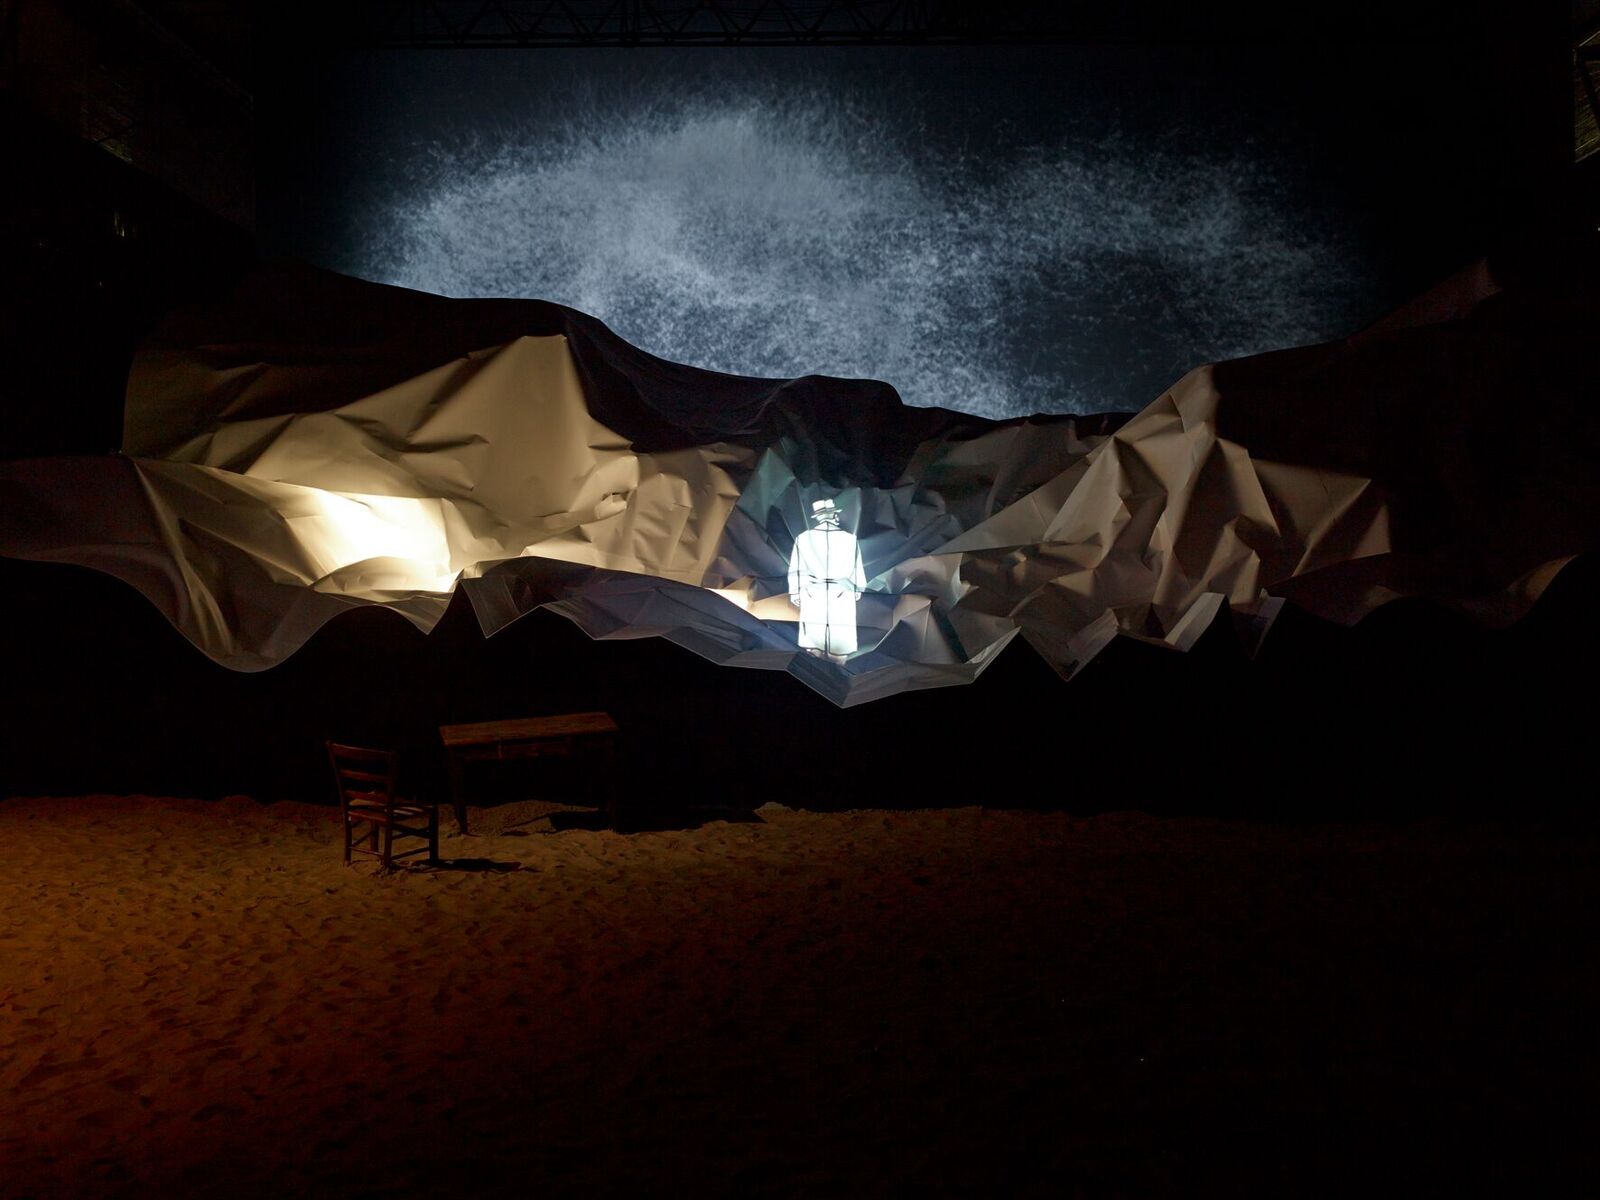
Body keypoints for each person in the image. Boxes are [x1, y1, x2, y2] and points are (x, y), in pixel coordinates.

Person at [787, 498, 866, 661]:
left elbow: (797, 568)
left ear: (818, 517)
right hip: (842, 592)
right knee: (840, 643)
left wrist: (795, 592)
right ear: (834, 516)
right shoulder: (850, 538)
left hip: (813, 592)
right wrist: (857, 588)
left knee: (814, 642)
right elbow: (857, 568)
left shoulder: (803, 538)